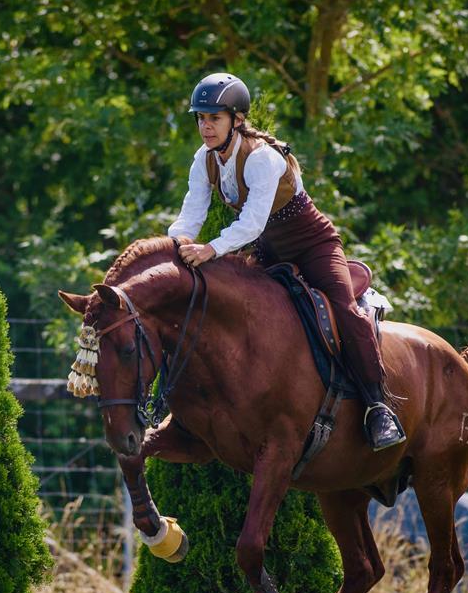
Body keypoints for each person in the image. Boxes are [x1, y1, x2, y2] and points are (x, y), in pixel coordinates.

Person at [169, 72, 406, 451]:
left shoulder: (262, 159)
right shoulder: (205, 159)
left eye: (214, 118)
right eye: (200, 118)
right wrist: (173, 245)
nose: (205, 126)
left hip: (313, 246)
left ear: (238, 120)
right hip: (269, 250)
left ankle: (379, 407)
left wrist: (209, 250)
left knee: (344, 310)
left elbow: (251, 222)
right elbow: (190, 216)